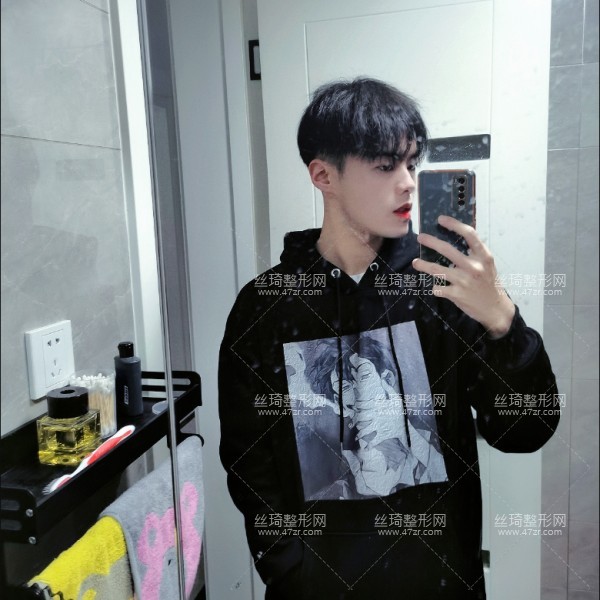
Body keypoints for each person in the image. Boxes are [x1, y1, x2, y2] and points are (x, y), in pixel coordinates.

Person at [218, 77, 559, 599]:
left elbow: (525, 430)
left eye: (411, 164)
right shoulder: (266, 306)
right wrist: (291, 569)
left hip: (441, 585)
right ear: (323, 175)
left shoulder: (444, 287)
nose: (407, 184)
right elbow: (248, 462)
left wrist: (503, 323)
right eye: (384, 166)